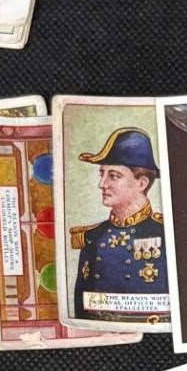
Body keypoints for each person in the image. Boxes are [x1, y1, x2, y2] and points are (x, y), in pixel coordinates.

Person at [74, 126, 165, 319]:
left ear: (142, 183)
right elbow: (81, 308)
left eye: (113, 176)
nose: (102, 184)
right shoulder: (92, 236)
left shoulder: (165, 233)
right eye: (102, 174)